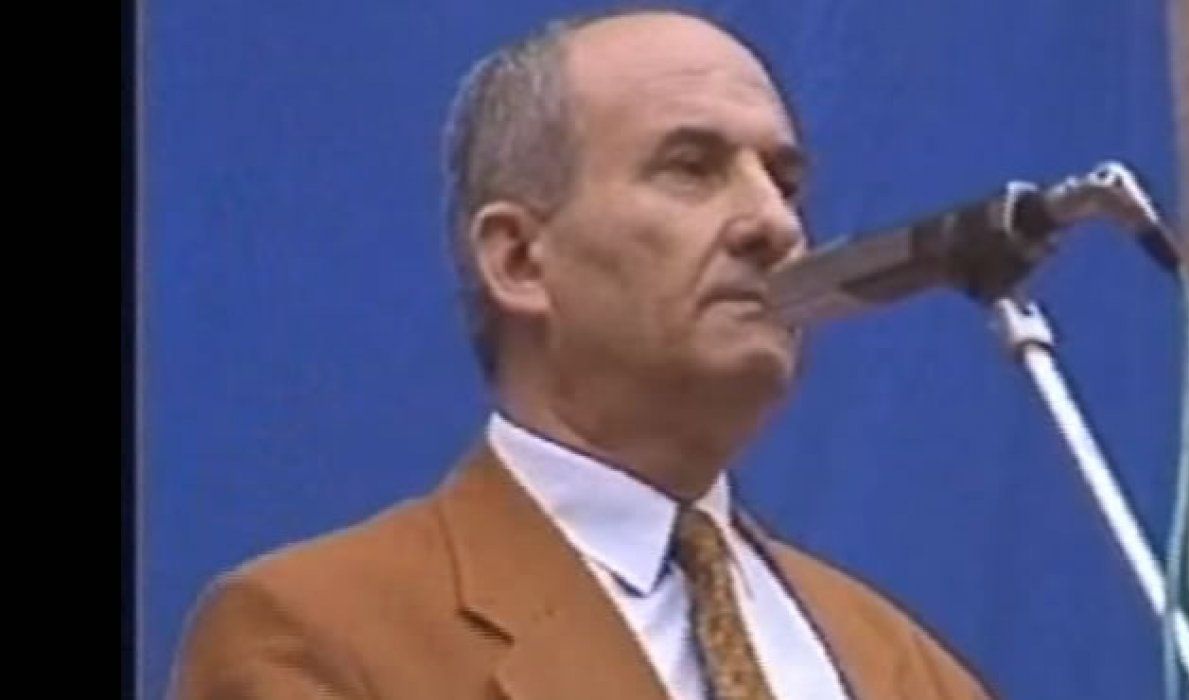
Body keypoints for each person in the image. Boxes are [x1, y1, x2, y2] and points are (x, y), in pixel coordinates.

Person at [170, 9, 992, 699]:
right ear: (519, 260)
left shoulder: (902, 664)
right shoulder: (317, 634)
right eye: (692, 169)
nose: (774, 224)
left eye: (784, 181)